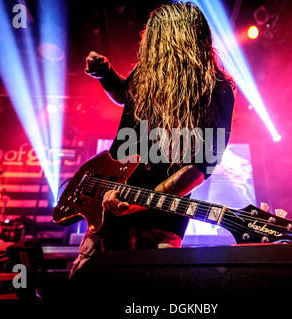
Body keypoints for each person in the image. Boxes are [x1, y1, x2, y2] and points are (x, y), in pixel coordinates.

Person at [70, 3, 235, 277]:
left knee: (150, 289)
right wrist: (106, 74)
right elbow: (125, 95)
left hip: (161, 217)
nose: (143, 37)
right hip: (108, 204)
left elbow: (202, 166)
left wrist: (143, 201)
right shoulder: (144, 76)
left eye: (151, 31)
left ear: (167, 36)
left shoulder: (216, 88)